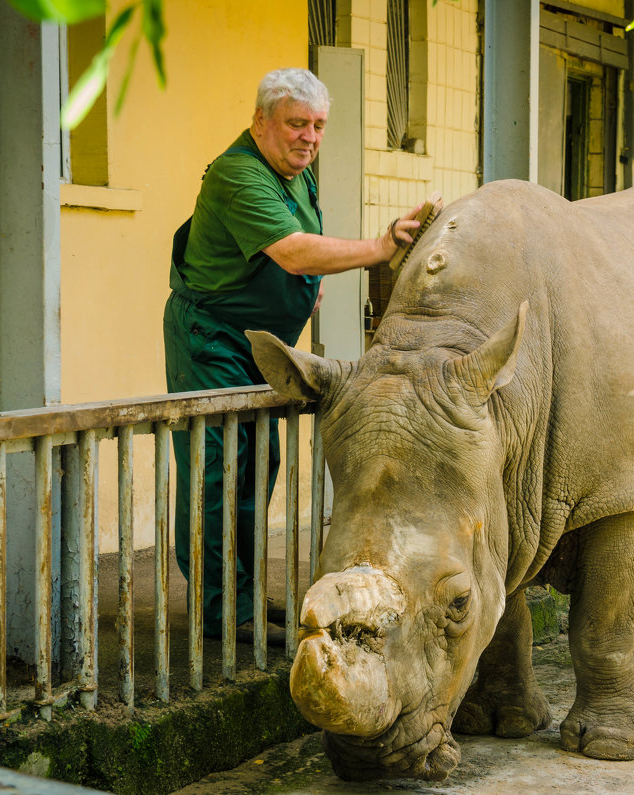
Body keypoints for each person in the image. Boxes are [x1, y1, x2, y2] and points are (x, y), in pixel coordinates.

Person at [165, 67, 422, 646]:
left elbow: (292, 251)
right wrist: (379, 249)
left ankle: (243, 597)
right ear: (260, 122)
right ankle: (219, 613)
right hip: (213, 337)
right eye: (296, 124)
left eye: (318, 126)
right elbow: (294, 251)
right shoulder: (238, 174)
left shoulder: (295, 174)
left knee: (259, 463)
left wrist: (307, 289)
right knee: (216, 471)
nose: (308, 136)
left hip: (258, 340)